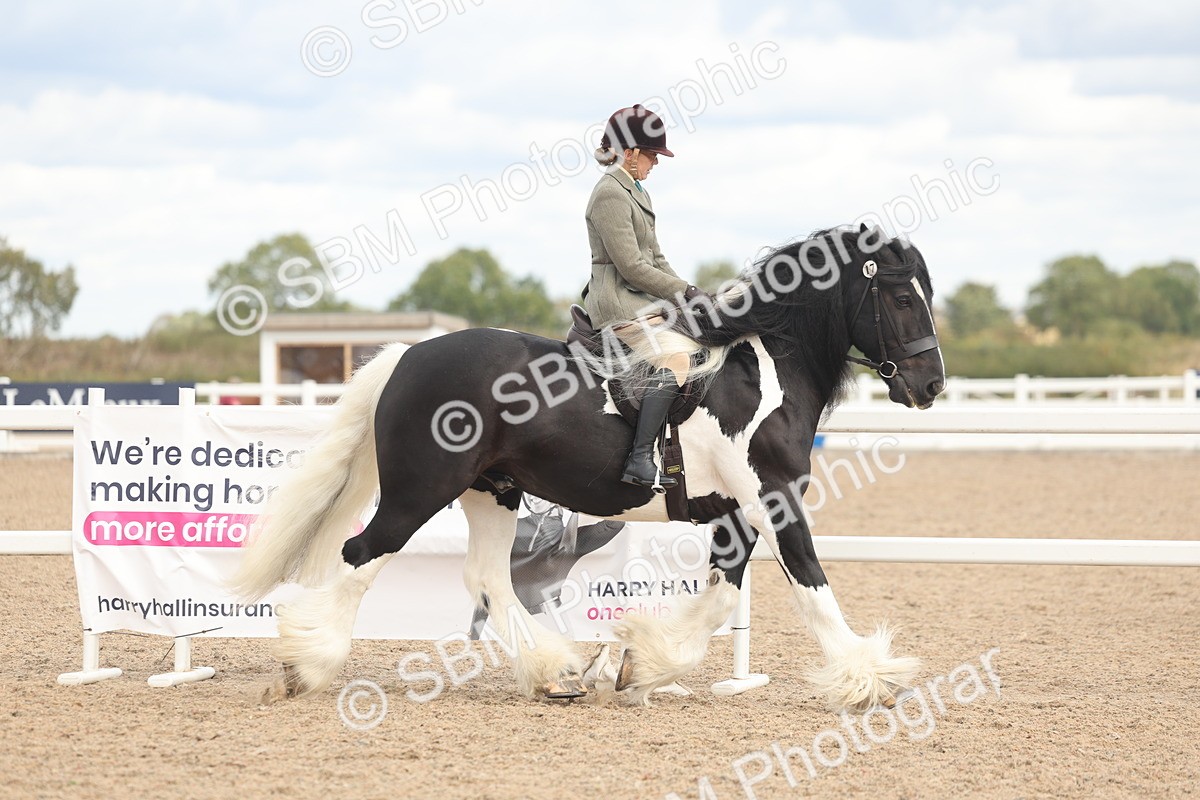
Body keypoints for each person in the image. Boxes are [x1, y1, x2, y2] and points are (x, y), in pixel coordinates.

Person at [582, 104, 705, 490]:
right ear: (631, 151)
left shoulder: (637, 190)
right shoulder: (609, 194)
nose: (655, 163)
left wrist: (690, 292)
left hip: (643, 300)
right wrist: (681, 292)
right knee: (677, 356)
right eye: (652, 155)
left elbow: (656, 257)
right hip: (618, 303)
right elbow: (632, 266)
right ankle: (639, 458)